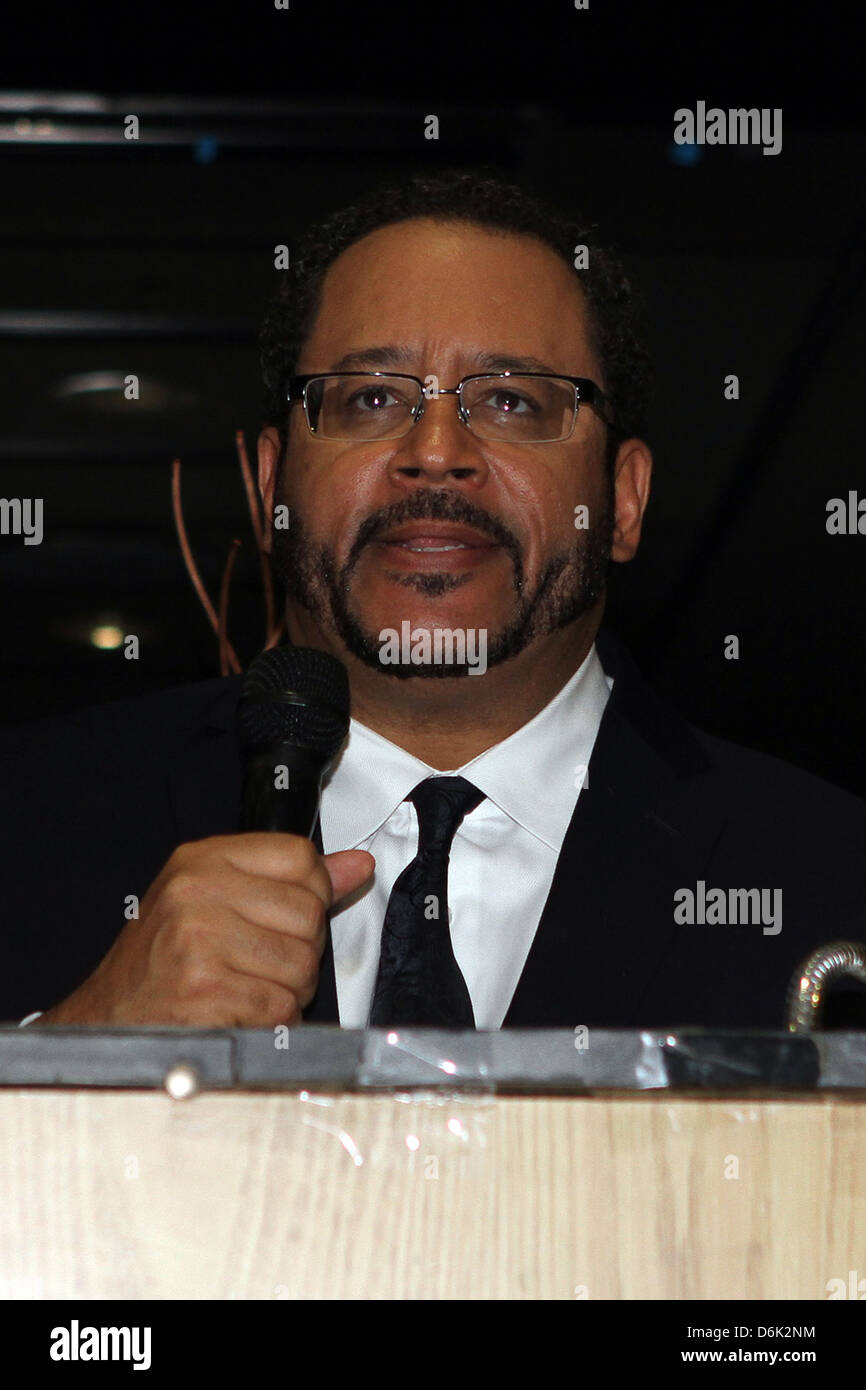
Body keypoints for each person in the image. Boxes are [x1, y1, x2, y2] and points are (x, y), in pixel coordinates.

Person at [2, 169, 864, 1031]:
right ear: (273, 483)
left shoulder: (830, 876)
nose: (437, 450)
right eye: (372, 397)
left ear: (623, 499)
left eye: (513, 401)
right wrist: (79, 1051)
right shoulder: (35, 820)